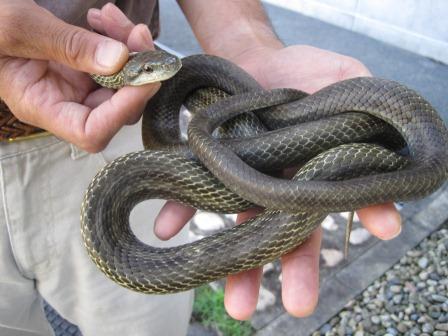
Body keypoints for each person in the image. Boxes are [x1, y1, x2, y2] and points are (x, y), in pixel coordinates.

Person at [0, 1, 403, 335]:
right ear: (133, 73)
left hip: (113, 121)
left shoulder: (148, 89)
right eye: (155, 69)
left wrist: (247, 46)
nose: (168, 68)